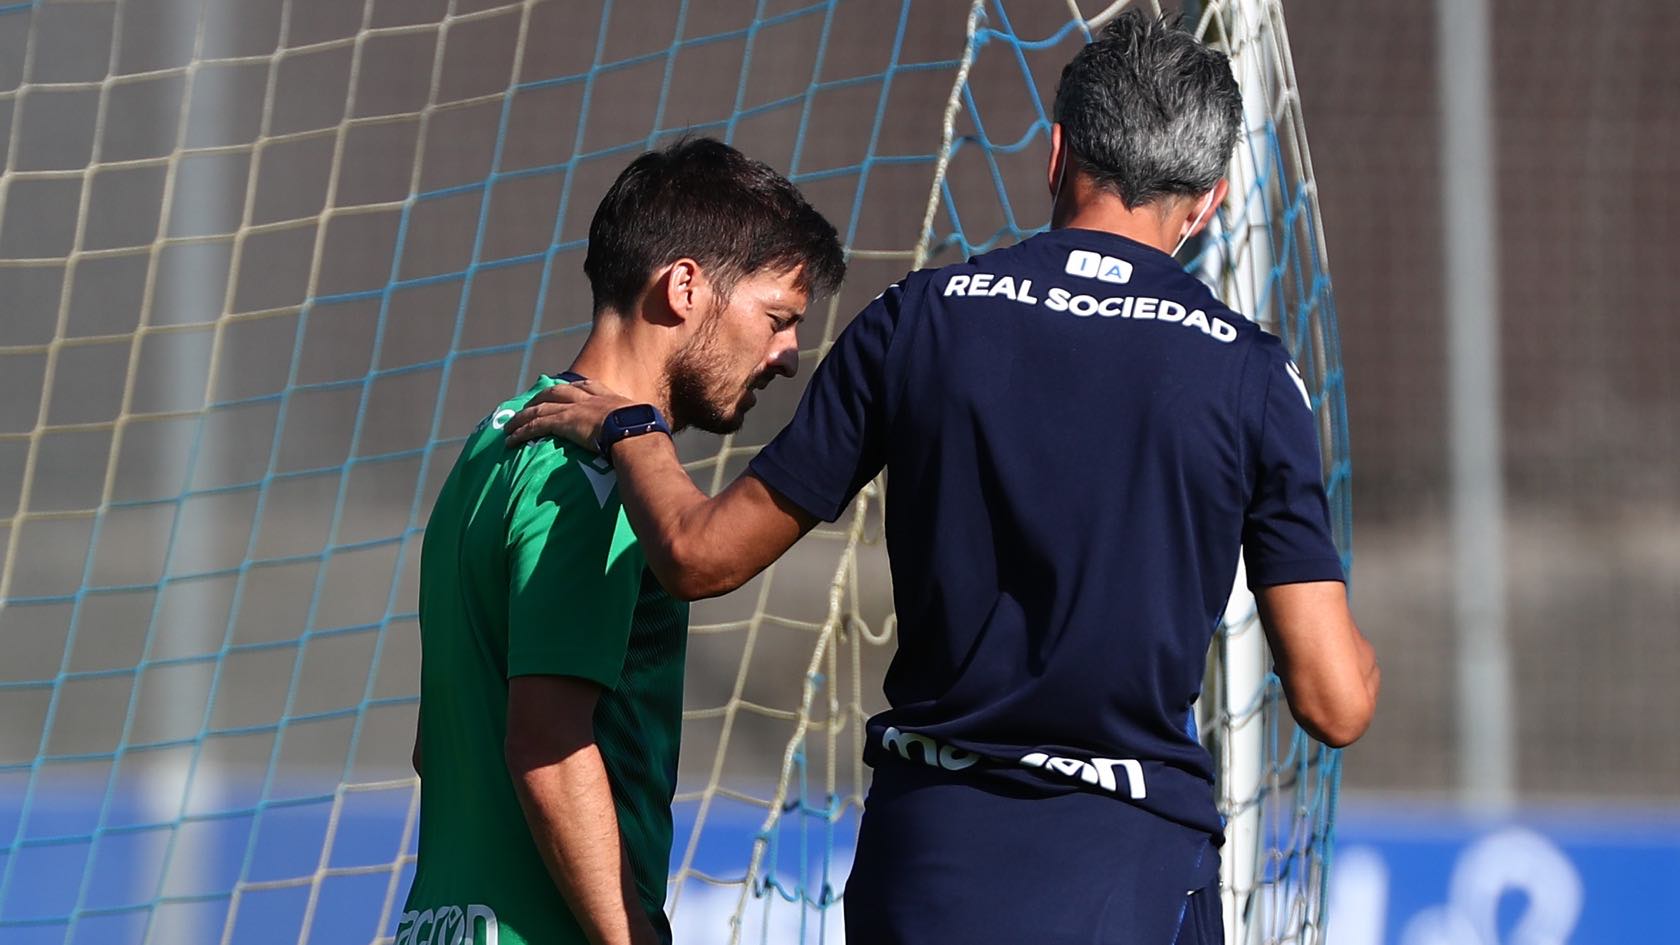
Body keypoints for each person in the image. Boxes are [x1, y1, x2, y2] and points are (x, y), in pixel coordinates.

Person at [505, 12, 1379, 945]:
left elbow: (698, 555)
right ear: (1209, 201)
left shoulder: (918, 318)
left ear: (1057, 155)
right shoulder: (1250, 374)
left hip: (927, 864)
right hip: (1127, 871)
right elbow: (1334, 701)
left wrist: (632, 427)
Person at [395, 137, 844, 945]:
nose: (787, 356)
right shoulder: (599, 475)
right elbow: (547, 741)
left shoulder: (491, 445)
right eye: (777, 318)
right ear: (684, 287)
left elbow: (439, 743)